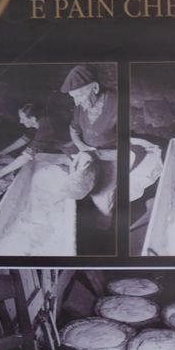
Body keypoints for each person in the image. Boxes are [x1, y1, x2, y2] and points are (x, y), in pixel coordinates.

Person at [60, 64, 118, 228]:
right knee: (79, 183)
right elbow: (74, 129)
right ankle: (86, 219)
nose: (76, 102)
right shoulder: (80, 105)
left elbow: (128, 149)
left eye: (79, 95)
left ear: (95, 88)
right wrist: (83, 148)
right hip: (86, 151)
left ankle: (105, 230)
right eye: (73, 97)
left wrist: (95, 154)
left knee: (102, 196)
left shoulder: (116, 105)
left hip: (111, 155)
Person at [0, 102, 67, 185]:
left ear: (33, 118)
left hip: (66, 153)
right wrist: (2, 152)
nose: (21, 122)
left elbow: (26, 157)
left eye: (23, 119)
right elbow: (25, 138)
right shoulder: (37, 122)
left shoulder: (45, 128)